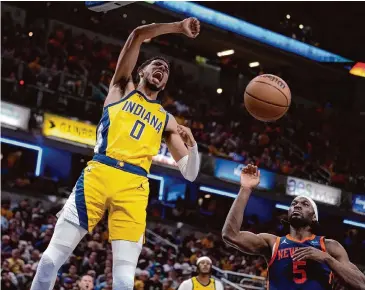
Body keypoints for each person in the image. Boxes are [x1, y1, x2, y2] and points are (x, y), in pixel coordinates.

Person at [30, 17, 201, 290]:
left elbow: (190, 174)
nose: (162, 68)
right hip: (99, 174)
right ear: (142, 71)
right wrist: (178, 27)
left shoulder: (168, 120)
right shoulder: (122, 87)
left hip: (134, 186)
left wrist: (193, 146)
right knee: (50, 261)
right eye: (156, 64)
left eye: (166, 69)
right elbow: (136, 34)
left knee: (123, 281)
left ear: (165, 84)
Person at [222, 164, 365, 290]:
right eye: (294, 204)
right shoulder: (272, 243)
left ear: (314, 217)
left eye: (305, 204)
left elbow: (361, 284)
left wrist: (327, 259)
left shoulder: (329, 246)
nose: (297, 205)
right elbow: (230, 234)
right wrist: (245, 189)